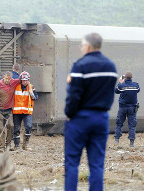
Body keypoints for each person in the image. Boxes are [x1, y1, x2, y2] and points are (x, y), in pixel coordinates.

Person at [64, 33, 117, 191]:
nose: (81, 48)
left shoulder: (80, 65)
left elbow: (74, 95)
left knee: (72, 162)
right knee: (97, 164)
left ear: (87, 46)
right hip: (101, 118)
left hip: (80, 118)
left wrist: (69, 113)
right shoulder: (111, 66)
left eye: (82, 45)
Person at [11, 71, 38, 151]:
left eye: (26, 80)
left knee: (28, 126)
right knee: (16, 128)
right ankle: (17, 145)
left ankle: (25, 145)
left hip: (27, 112)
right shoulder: (16, 86)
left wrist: (31, 93)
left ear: (28, 80)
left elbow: (36, 97)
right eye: (23, 80)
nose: (25, 82)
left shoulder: (31, 87)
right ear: (21, 80)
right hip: (17, 112)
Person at [114, 72, 140, 147]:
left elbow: (116, 91)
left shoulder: (121, 86)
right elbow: (138, 90)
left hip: (122, 108)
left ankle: (117, 140)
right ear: (132, 78)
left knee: (119, 123)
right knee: (132, 126)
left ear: (125, 78)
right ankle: (131, 143)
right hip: (132, 108)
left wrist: (120, 82)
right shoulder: (136, 85)